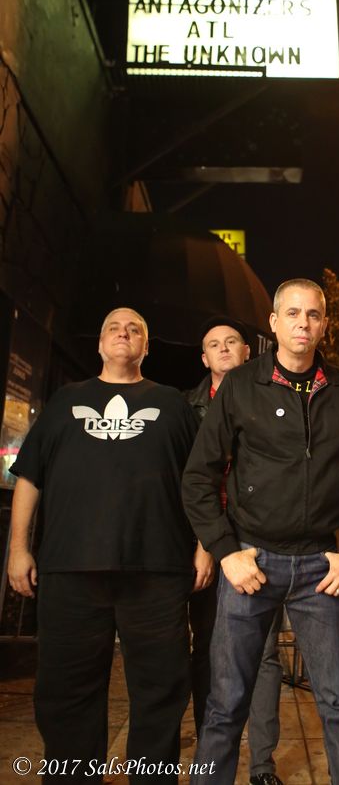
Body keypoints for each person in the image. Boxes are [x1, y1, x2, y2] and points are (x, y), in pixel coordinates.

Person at [182, 278, 339, 785]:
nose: (302, 324)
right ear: (273, 323)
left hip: (321, 569)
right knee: (226, 703)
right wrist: (226, 551)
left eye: (312, 314)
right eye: (292, 313)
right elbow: (198, 477)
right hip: (252, 563)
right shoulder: (241, 385)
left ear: (324, 325)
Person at [8, 307, 198, 783]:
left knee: (161, 691)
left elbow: (200, 482)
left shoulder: (172, 403)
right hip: (70, 568)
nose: (124, 334)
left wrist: (205, 547)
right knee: (66, 692)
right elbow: (30, 477)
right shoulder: (66, 400)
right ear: (99, 343)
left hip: (158, 570)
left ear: (146, 347)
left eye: (135, 329)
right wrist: (18, 549)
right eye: (114, 327)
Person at [184, 315, 285, 785]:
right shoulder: (186, 407)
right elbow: (189, 481)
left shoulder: (272, 397)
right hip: (204, 543)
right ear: (204, 358)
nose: (224, 349)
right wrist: (205, 543)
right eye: (214, 344)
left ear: (248, 352)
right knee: (206, 647)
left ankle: (262, 764)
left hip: (255, 543)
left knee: (264, 655)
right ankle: (210, 755)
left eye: (232, 342)